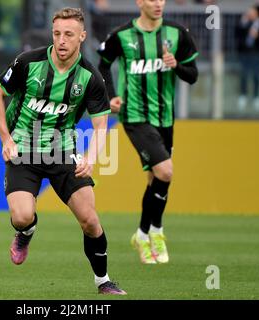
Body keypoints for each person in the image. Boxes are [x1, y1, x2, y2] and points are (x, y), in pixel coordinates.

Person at [0, 7, 126, 295]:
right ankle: (25, 233)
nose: (61, 40)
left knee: (90, 220)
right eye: (57, 34)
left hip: (62, 153)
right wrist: (5, 139)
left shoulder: (90, 78)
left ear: (82, 37)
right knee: (23, 215)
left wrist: (90, 158)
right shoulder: (29, 62)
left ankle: (103, 281)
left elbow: (101, 125)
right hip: (23, 152)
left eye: (69, 35)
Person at [97, 0, 198, 264]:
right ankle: (157, 232)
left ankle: (142, 235)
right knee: (166, 171)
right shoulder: (121, 35)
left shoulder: (178, 34)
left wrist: (176, 65)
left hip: (165, 118)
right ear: (140, 2)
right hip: (134, 116)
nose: (158, 3)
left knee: (156, 180)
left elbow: (192, 75)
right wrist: (111, 96)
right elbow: (103, 64)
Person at [235, 4, 259, 112]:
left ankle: (256, 97)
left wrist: (257, 36)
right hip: (245, 53)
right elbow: (237, 35)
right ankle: (243, 95)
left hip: (257, 54)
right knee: (244, 75)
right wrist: (242, 23)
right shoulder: (245, 23)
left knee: (256, 76)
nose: (250, 14)